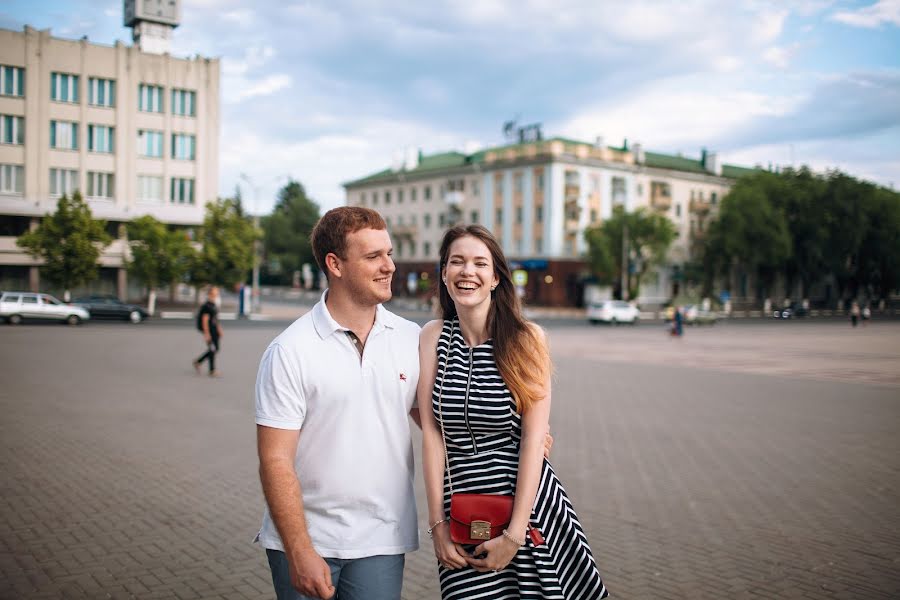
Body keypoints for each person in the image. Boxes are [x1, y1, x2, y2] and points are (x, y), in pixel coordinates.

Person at [417, 225, 608, 599]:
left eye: (479, 263)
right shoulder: (433, 336)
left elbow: (534, 441)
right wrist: (437, 523)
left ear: (495, 278)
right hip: (464, 514)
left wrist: (515, 535)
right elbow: (431, 433)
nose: (467, 271)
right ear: (443, 273)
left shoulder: (527, 338)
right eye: (456, 262)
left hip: (528, 509)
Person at [253, 207, 422, 600]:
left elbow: (437, 420)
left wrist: (522, 435)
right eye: (373, 256)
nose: (389, 266)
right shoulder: (290, 350)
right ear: (335, 264)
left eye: (389, 253)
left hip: (381, 537)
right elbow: (275, 460)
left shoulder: (410, 338)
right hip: (307, 538)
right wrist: (299, 550)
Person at [193, 286, 223, 377]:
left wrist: (219, 329)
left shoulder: (213, 304)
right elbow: (204, 320)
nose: (217, 293)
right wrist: (206, 334)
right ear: (210, 293)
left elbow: (215, 319)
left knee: (215, 349)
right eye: (215, 291)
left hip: (214, 330)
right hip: (209, 331)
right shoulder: (207, 305)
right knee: (212, 349)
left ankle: (198, 362)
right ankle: (212, 370)